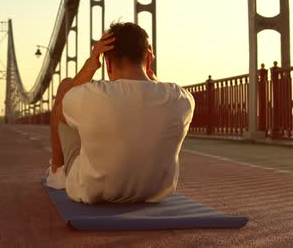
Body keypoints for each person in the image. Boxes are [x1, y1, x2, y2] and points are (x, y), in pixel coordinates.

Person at [45, 22, 195, 204]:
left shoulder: (92, 95)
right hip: (155, 191)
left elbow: (61, 108)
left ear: (107, 62)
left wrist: (90, 64)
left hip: (95, 191)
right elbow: (155, 92)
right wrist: (149, 72)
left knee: (66, 88)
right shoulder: (182, 98)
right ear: (148, 59)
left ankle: (57, 174)